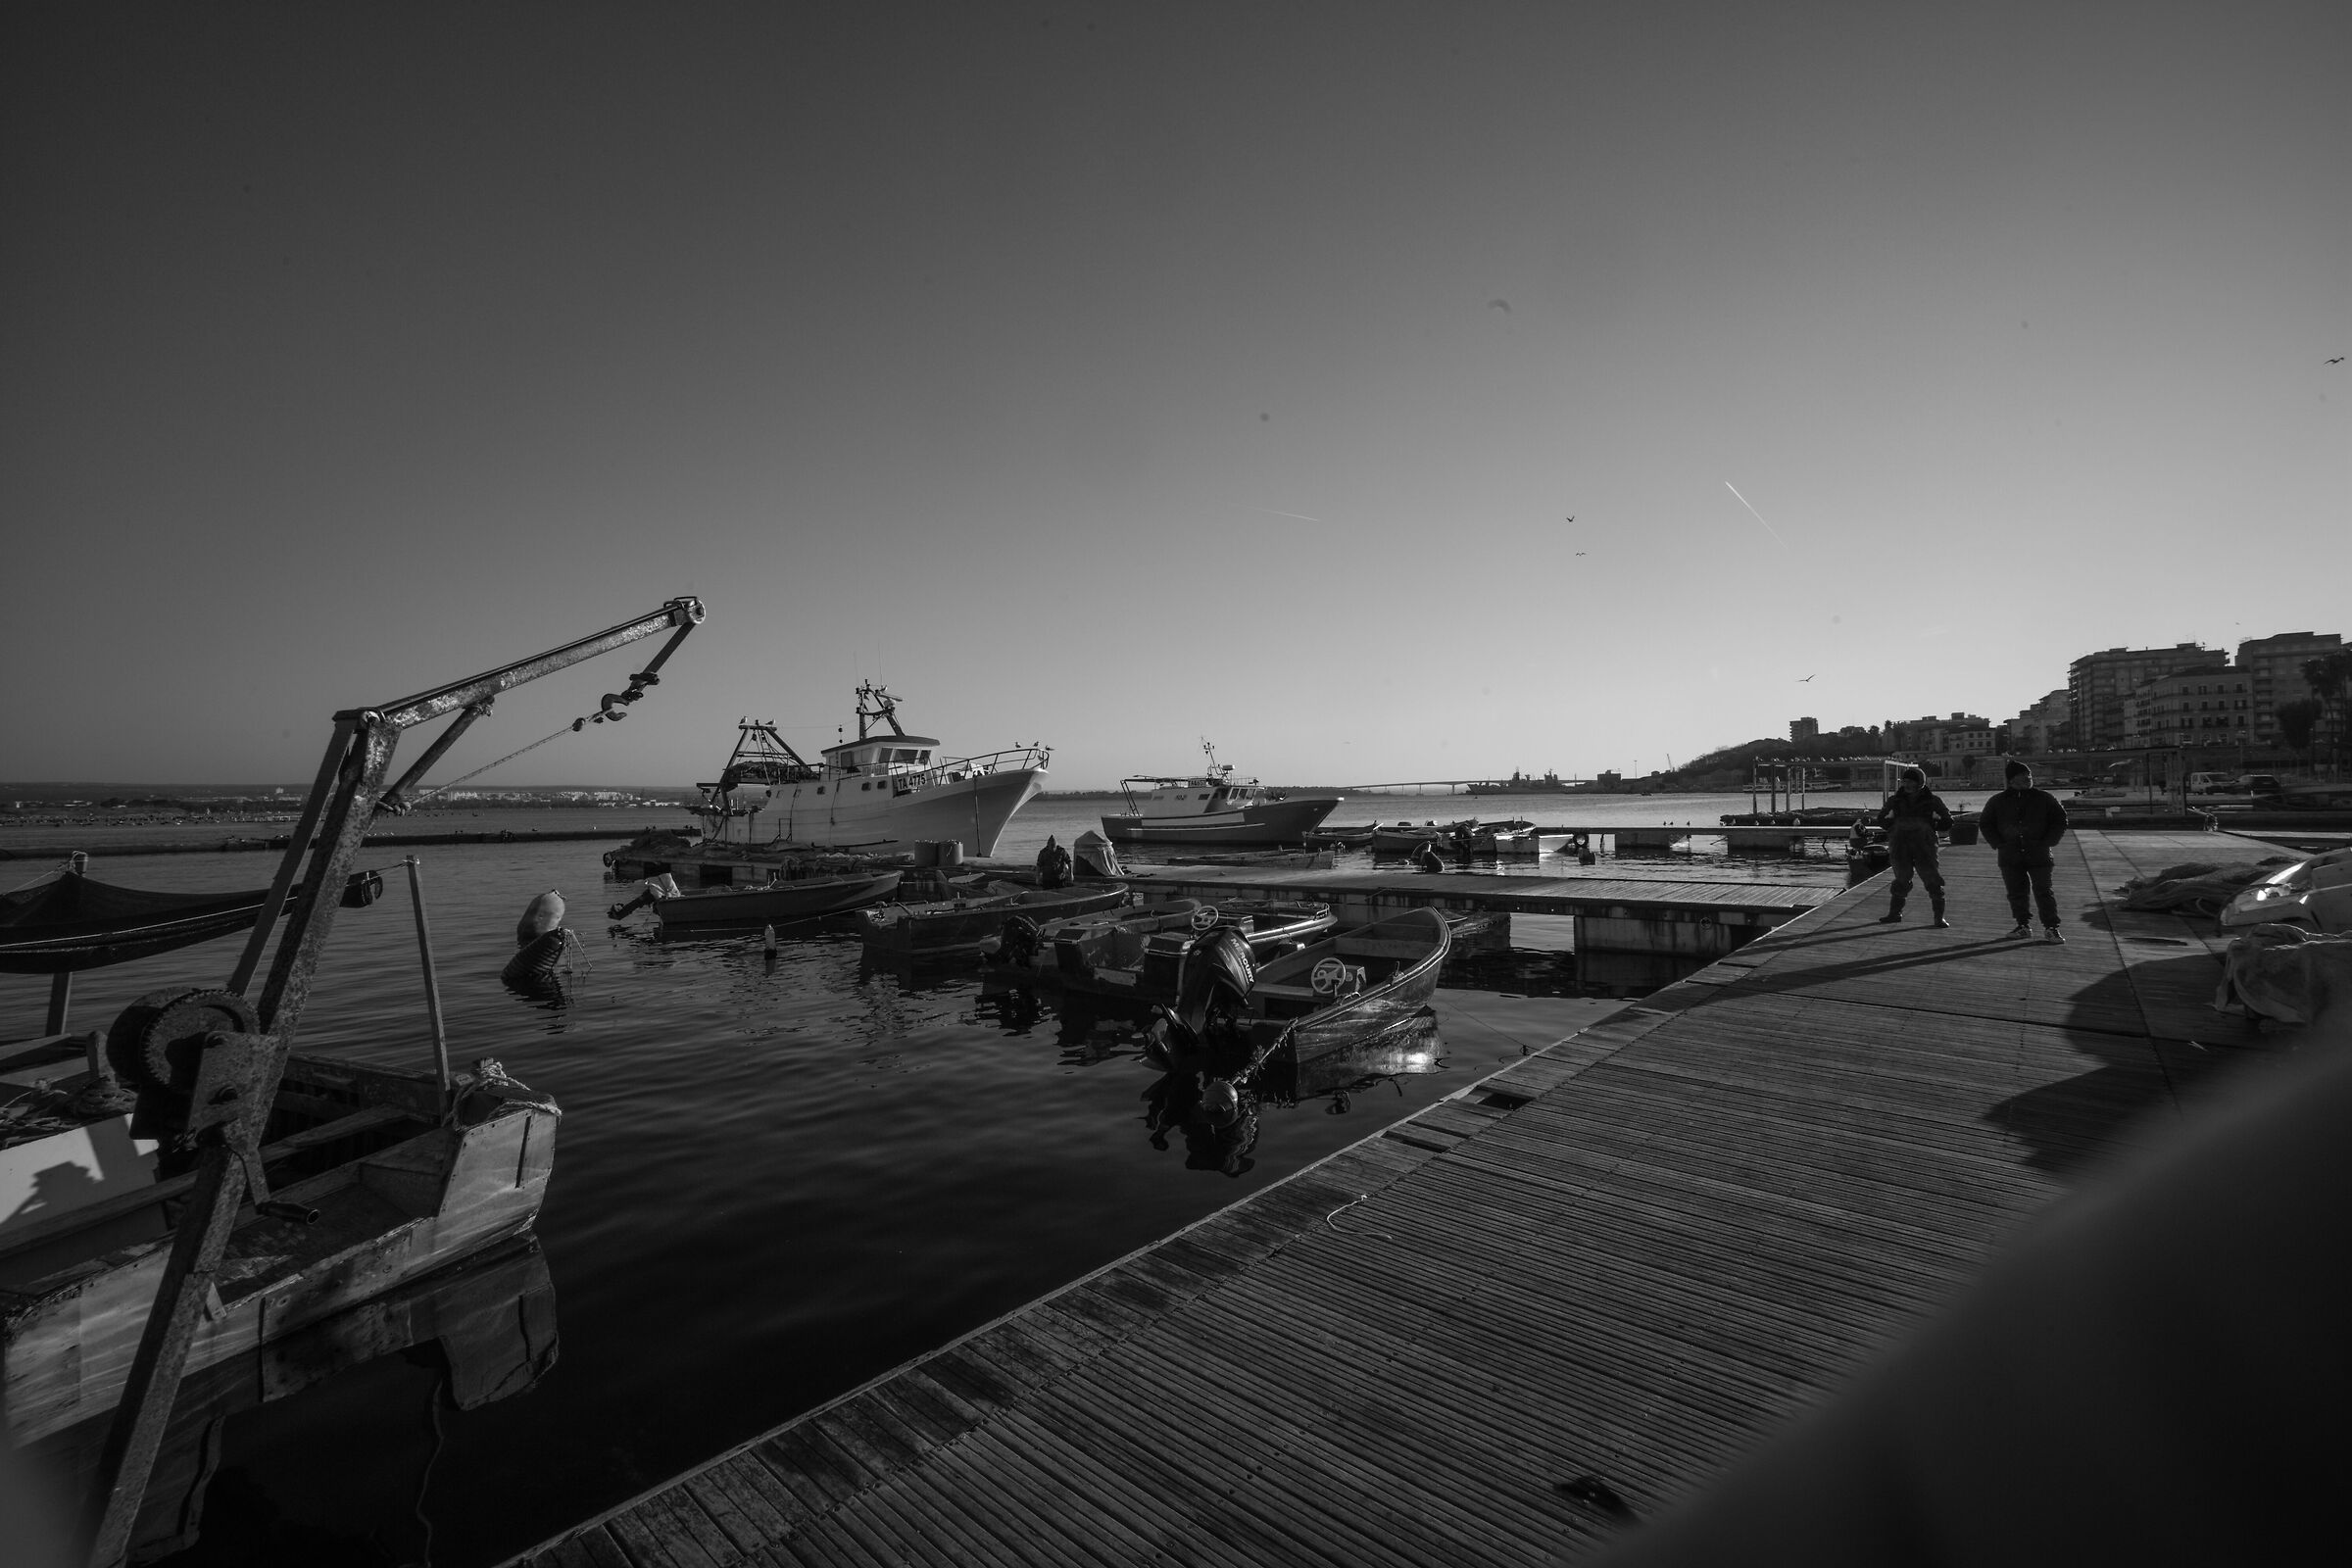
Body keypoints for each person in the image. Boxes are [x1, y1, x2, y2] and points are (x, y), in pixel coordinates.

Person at [1981, 760, 2070, 941]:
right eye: (2023, 776)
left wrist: (2049, 841)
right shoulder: (1998, 801)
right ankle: (2023, 926)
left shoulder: (2044, 798)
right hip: (2009, 855)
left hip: (2039, 853)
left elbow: (2060, 820)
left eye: (2029, 775)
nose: (2028, 778)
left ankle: (2051, 927)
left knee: (2044, 890)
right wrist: (1999, 843)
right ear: (2012, 780)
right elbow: (1986, 824)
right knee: (2016, 892)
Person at [1875, 766, 1953, 926]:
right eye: (1904, 781)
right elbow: (1881, 818)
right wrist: (1893, 827)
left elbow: (1948, 820)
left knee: (1932, 879)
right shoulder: (1894, 800)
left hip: (1925, 845)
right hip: (1900, 844)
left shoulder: (1933, 800)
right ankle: (1895, 913)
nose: (1907, 784)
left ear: (1920, 783)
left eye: (1911, 781)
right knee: (1901, 879)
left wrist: (1932, 826)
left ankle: (1939, 918)